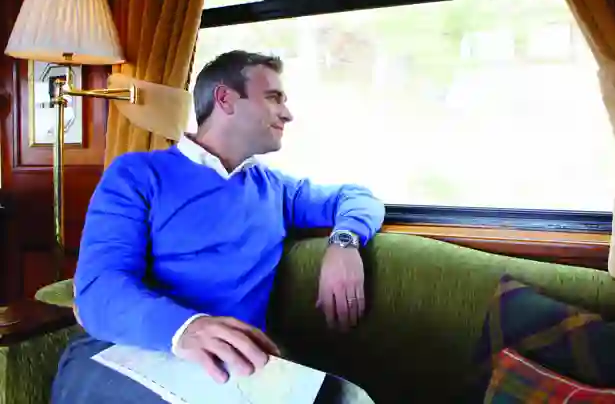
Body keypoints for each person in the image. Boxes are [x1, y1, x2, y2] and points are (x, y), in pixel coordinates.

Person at [51, 50, 385, 403]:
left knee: (349, 399)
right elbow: (99, 287)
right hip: (125, 352)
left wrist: (344, 242)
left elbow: (358, 197)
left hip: (231, 368)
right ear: (225, 99)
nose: (287, 113)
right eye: (274, 98)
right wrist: (186, 328)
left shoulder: (275, 189)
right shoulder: (137, 174)